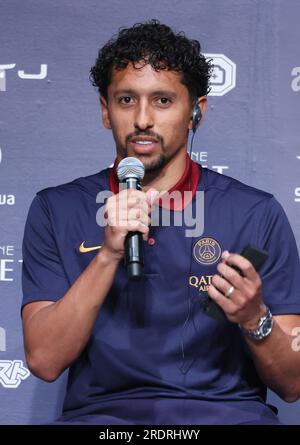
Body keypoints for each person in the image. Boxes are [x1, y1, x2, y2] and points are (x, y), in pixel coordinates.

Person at [21, 19, 300, 425]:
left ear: (196, 113)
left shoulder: (254, 214)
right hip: (103, 422)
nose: (143, 119)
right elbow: (44, 360)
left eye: (163, 101)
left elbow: (293, 384)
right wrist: (107, 255)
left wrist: (255, 317)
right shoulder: (57, 208)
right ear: (105, 110)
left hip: (226, 417)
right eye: (126, 100)